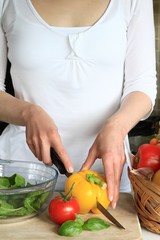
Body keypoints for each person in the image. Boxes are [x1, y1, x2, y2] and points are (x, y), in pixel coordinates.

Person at [0, 0, 157, 209]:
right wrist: (28, 113)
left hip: (106, 180)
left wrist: (116, 127)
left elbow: (142, 85)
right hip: (21, 179)